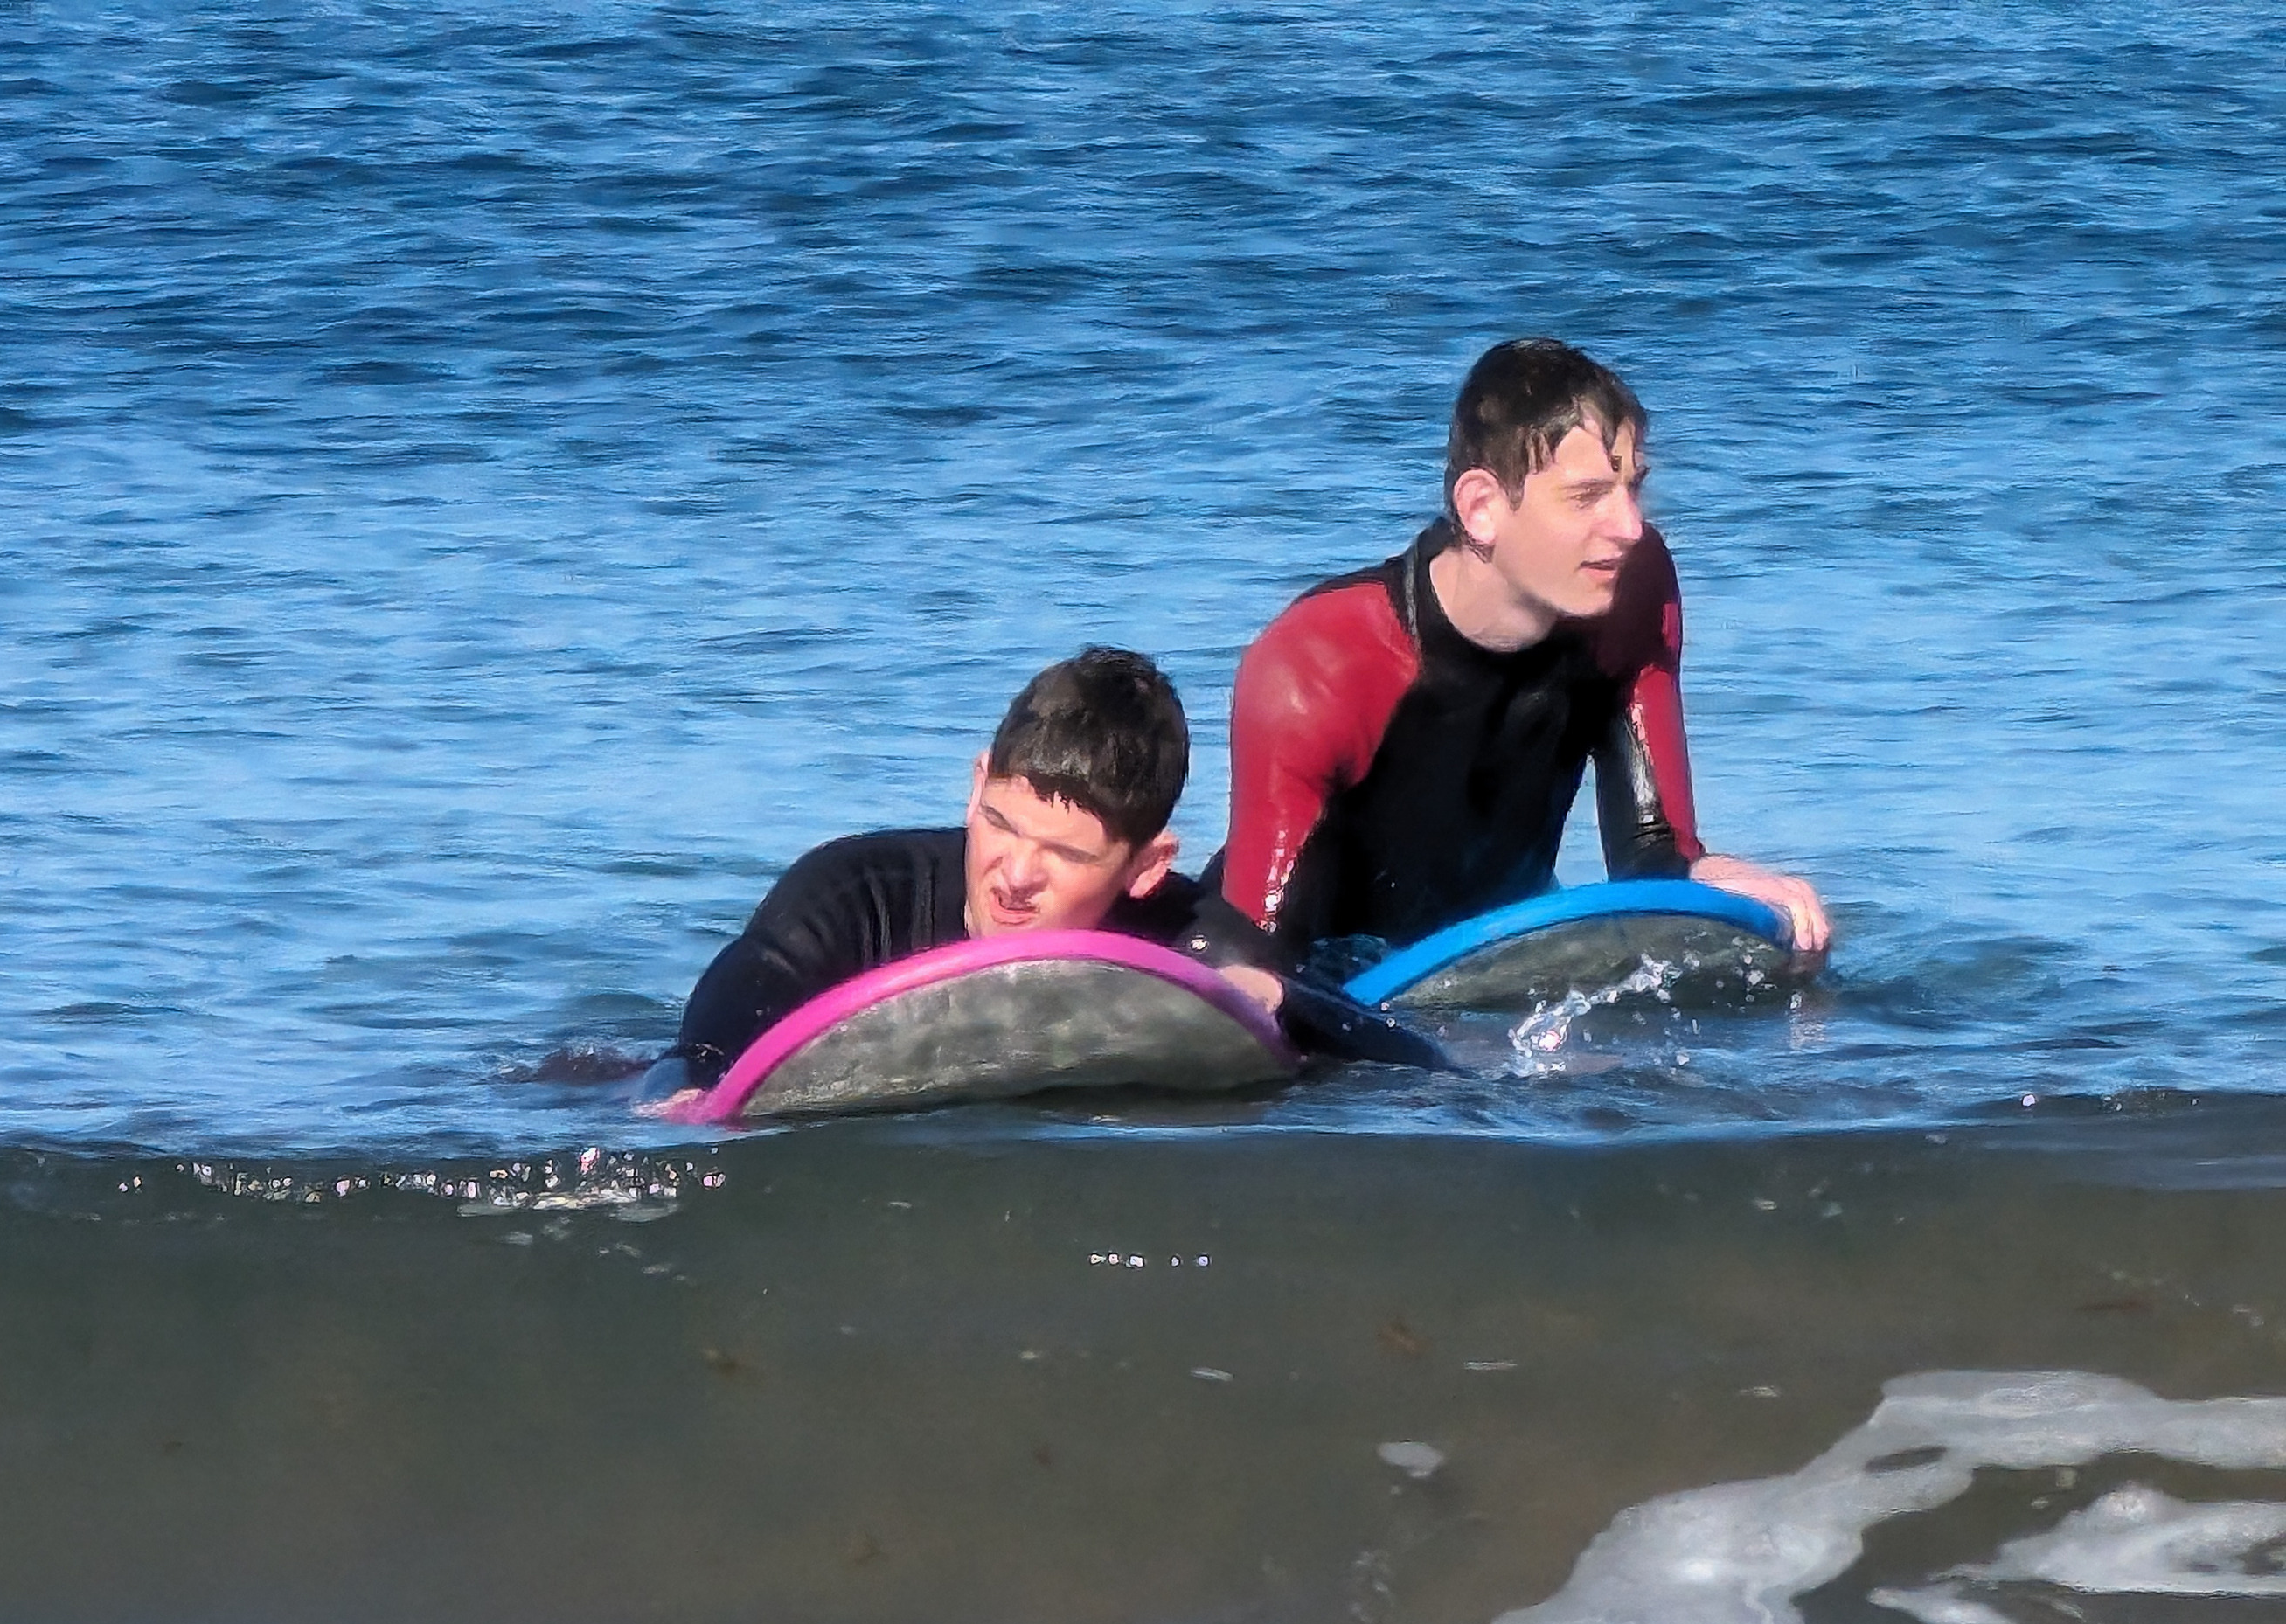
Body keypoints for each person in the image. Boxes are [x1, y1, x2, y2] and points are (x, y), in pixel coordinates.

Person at [1217, 338, 1831, 964]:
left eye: (1632, 488)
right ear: (1482, 508)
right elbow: (1252, 959)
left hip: (1479, 959)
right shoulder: (1319, 663)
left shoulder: (1634, 591)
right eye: (1587, 495)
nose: (1630, 527)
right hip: (1302, 959)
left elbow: (1655, 853)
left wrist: (1712, 878)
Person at [647, 646, 1437, 1104]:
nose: (1014, 875)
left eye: (1066, 855)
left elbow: (1411, 1061)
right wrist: (694, 1083)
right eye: (999, 823)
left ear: (1146, 867)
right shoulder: (859, 894)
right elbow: (731, 1007)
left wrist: (1280, 999)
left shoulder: (1188, 943)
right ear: (977, 785)